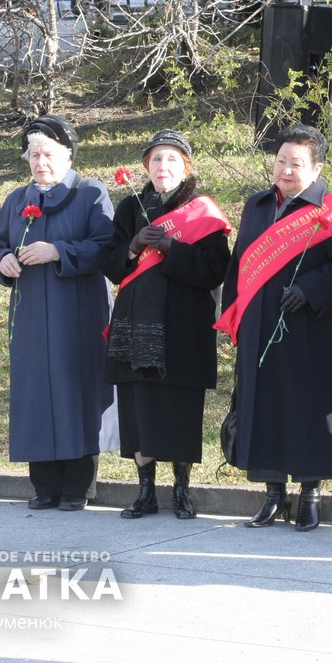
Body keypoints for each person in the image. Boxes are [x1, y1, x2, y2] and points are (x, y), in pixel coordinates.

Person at [215, 124, 332, 531]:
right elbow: (239, 263)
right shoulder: (257, 205)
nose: (286, 170)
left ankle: (310, 492)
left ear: (316, 168)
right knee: (263, 405)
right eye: (281, 161)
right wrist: (234, 315)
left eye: (296, 163)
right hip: (259, 327)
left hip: (309, 329)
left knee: (307, 408)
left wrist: (310, 289)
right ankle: (272, 493)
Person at [0, 116, 114, 512]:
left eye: (49, 154)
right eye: (34, 155)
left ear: (69, 156)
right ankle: (43, 486)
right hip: (29, 319)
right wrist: (2, 261)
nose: (41, 162)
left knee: (77, 391)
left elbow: (106, 245)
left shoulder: (91, 194)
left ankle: (78, 487)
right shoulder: (15, 201)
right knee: (35, 394)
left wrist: (59, 251)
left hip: (79, 314)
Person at [102, 130, 231, 519]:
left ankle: (181, 491)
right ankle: (145, 492)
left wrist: (173, 248)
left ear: (186, 166)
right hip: (134, 322)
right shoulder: (129, 209)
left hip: (183, 326)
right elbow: (109, 264)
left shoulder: (203, 212)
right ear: (146, 166)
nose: (163, 167)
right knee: (138, 408)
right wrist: (134, 246)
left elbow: (216, 270)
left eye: (172, 159)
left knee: (180, 408)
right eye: (156, 159)